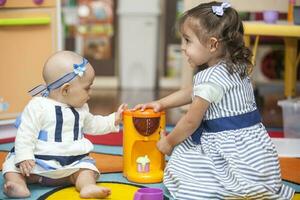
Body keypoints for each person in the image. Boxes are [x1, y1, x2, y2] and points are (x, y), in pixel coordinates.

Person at [134, 2, 295, 199]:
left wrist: (168, 142)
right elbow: (192, 91)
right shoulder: (236, 66)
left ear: (212, 44)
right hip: (252, 151)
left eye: (187, 41)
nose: (183, 48)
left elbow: (191, 122)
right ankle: (253, 184)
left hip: (227, 149)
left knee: (185, 168)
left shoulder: (210, 79)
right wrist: (162, 103)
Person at [2, 51, 127, 199]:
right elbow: (25, 133)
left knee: (87, 170)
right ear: (66, 90)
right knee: (11, 167)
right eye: (87, 88)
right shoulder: (38, 106)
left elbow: (94, 124)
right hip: (37, 163)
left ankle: (87, 186)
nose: (91, 92)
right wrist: (24, 157)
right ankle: (17, 184)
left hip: (71, 164)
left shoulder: (81, 109)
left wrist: (113, 119)